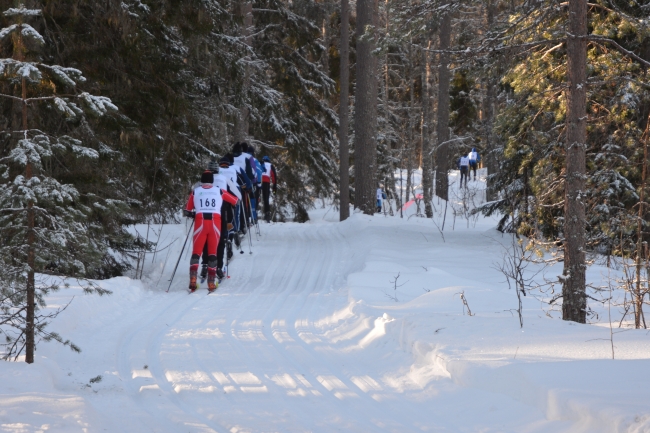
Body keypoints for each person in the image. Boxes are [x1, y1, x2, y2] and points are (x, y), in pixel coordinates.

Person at [183, 170, 238, 292]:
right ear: (212, 181)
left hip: (200, 222)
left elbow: (187, 210)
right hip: (215, 223)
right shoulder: (219, 191)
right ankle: (211, 282)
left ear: (202, 180)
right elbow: (235, 200)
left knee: (196, 252)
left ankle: (193, 279)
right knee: (213, 253)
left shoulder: (195, 191)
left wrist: (193, 214)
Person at [261, 155, 277, 222]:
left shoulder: (260, 163)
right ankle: (267, 214)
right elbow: (274, 176)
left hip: (259, 181)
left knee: (256, 197)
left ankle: (253, 214)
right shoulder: (271, 165)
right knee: (266, 199)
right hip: (266, 182)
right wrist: (274, 187)